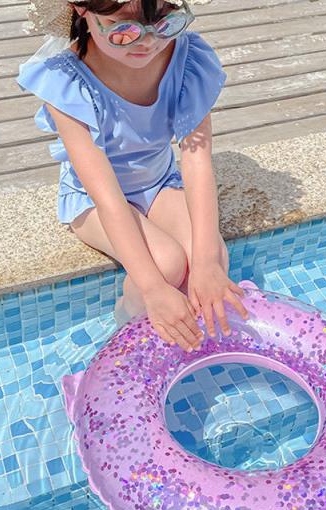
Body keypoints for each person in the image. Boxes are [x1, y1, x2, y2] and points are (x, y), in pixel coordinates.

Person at [16, 0, 248, 353]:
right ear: (82, 10)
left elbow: (196, 160)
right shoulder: (66, 81)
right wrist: (153, 289)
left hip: (159, 181)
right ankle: (126, 326)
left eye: (165, 22)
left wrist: (205, 264)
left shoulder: (186, 58)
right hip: (92, 201)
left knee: (213, 257)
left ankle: (188, 339)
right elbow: (107, 198)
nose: (148, 42)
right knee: (166, 266)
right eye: (124, 29)